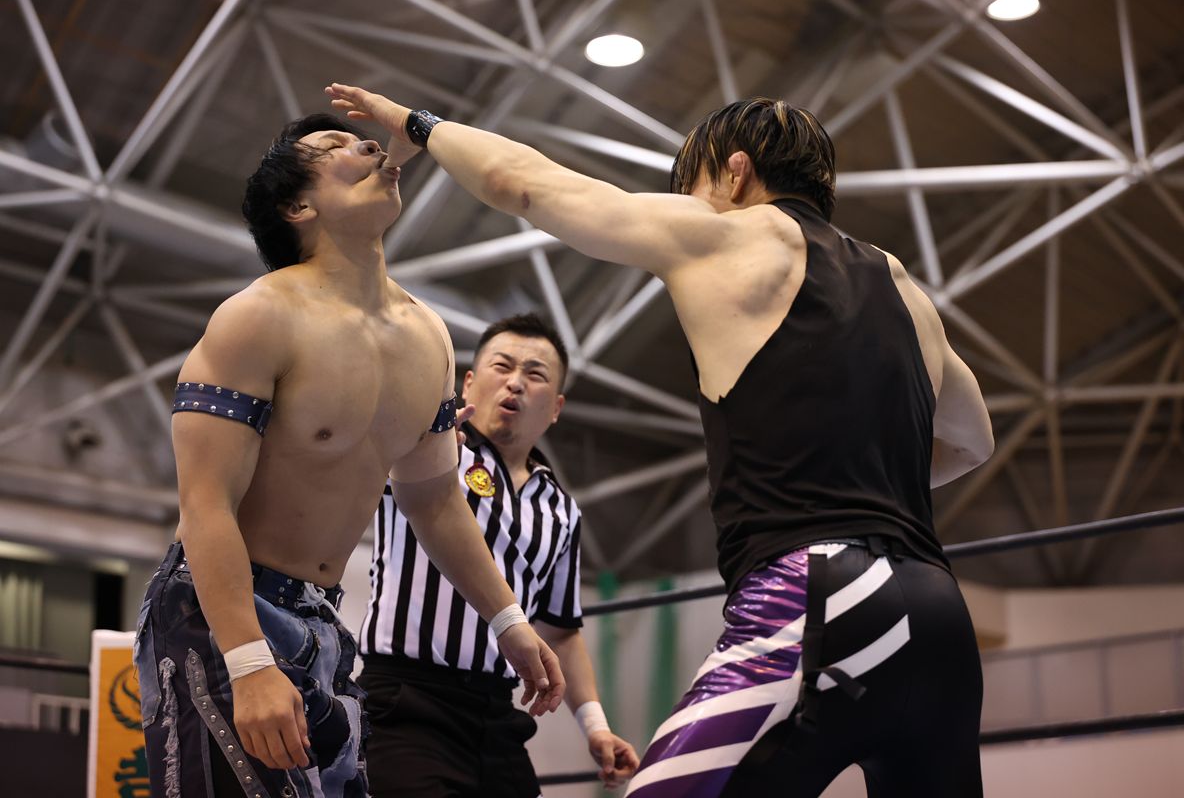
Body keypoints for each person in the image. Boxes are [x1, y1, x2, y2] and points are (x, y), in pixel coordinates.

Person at [326, 85, 996, 797]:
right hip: (940, 614)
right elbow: (972, 440)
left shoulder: (730, 233)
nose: (692, 204)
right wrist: (859, 475)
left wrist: (419, 124)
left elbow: (520, 182)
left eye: (695, 187)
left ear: (735, 173)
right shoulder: (903, 287)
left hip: (822, 596)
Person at [132, 113, 564, 798]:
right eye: (336, 147)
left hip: (323, 622)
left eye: (364, 139)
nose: (368, 145)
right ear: (297, 206)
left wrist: (507, 619)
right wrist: (247, 662)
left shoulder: (429, 338)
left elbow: (435, 499)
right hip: (218, 614)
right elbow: (205, 503)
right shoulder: (257, 316)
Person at [358, 312, 640, 796]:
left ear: (556, 407)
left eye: (535, 374)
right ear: (468, 383)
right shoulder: (431, 450)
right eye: (502, 366)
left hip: (497, 714)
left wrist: (595, 726)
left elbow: (560, 630)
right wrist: (418, 439)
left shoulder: (561, 509)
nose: (515, 383)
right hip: (407, 702)